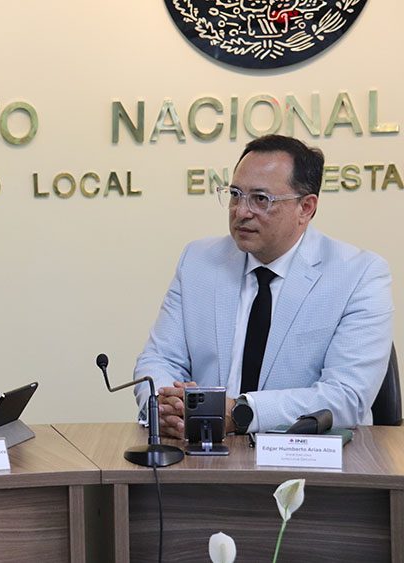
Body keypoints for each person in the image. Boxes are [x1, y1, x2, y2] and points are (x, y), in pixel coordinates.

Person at [134, 135, 393, 437]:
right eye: (235, 194)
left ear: (306, 208)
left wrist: (240, 413)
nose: (241, 211)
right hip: (202, 453)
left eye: (260, 199)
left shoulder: (359, 275)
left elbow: (346, 396)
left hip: (307, 458)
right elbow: (159, 359)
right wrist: (166, 407)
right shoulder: (198, 262)